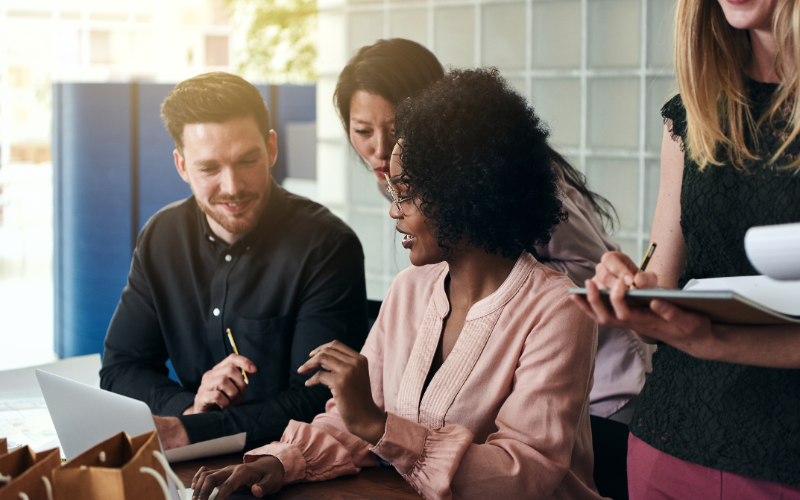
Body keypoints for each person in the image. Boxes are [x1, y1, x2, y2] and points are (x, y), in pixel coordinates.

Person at [190, 68, 603, 500]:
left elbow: (523, 474)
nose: (394, 211)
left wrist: (378, 425)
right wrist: (280, 460)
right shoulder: (410, 289)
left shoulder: (558, 309)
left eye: (405, 193)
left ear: (465, 194)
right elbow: (353, 423)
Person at [335, 37, 649, 423]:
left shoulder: (507, 176)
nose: (379, 150)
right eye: (363, 131)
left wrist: (489, 275)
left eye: (395, 126)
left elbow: (591, 270)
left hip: (602, 387)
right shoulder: (397, 178)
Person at [574, 0, 800, 497]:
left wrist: (712, 342)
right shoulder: (691, 110)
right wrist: (629, 286)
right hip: (669, 445)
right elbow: (661, 277)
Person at [100, 72, 369, 451]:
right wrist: (188, 408)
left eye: (247, 161)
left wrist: (193, 430)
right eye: (209, 169)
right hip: (195, 461)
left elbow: (317, 400)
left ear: (271, 149)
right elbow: (121, 367)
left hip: (294, 464)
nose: (232, 187)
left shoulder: (326, 246)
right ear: (182, 166)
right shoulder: (161, 236)